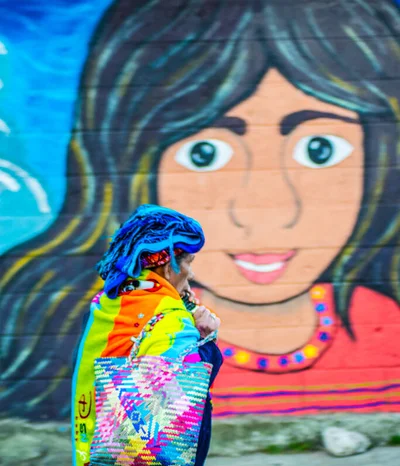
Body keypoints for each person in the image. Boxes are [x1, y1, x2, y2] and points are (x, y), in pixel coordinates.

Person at [1, 0, 399, 420]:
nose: (266, 213)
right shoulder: (142, 325)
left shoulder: (379, 319)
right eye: (204, 153)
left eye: (320, 149)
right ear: (133, 165)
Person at [72, 205, 222, 466]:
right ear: (164, 260)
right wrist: (205, 339)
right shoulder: (169, 317)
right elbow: (183, 405)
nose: (189, 272)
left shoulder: (109, 303)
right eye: (185, 261)